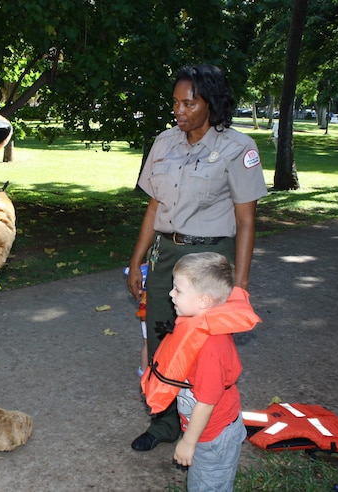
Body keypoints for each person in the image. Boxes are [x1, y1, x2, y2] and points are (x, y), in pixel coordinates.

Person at [126, 63, 267, 452]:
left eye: (189, 103)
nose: (179, 110)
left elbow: (246, 219)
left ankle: (208, 427)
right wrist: (138, 260)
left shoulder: (238, 148)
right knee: (159, 338)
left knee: (206, 348)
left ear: (211, 103)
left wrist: (240, 283)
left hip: (209, 257)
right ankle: (165, 422)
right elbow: (154, 207)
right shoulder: (164, 142)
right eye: (175, 102)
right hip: (166, 253)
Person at [168, 252, 251, 491]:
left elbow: (206, 402)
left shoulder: (210, 348)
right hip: (208, 430)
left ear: (204, 301)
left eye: (178, 290)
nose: (171, 294)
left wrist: (188, 441)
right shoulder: (198, 328)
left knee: (207, 487)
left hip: (214, 436)